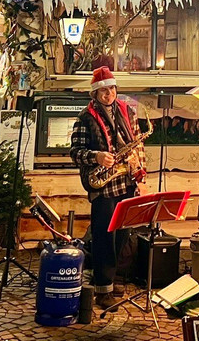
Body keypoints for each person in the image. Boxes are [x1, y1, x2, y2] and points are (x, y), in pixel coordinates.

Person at [69, 66, 146, 310]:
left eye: (111, 89)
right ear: (94, 93)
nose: (109, 94)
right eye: (103, 91)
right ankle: (103, 287)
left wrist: (138, 166)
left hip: (126, 181)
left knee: (123, 234)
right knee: (104, 236)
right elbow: (75, 152)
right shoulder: (85, 117)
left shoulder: (127, 111)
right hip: (103, 186)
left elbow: (137, 144)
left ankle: (115, 278)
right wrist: (97, 156)